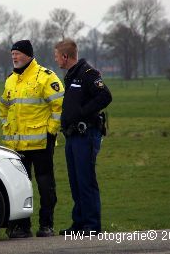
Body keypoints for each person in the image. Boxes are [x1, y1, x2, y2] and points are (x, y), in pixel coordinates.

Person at [0, 40, 64, 238]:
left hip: (41, 143)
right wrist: (6, 126)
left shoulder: (45, 77)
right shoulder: (10, 79)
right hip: (17, 145)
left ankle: (46, 225)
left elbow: (59, 105)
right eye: (12, 54)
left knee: (45, 186)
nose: (14, 57)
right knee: (19, 186)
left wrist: (51, 131)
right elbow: (3, 107)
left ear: (28, 55)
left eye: (17, 53)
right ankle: (22, 226)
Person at [54, 38, 112, 236]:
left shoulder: (88, 73)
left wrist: (82, 112)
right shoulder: (71, 75)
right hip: (72, 136)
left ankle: (92, 225)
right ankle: (79, 223)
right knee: (75, 181)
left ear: (65, 56)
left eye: (56, 56)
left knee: (86, 180)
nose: (56, 61)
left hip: (85, 134)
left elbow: (105, 96)